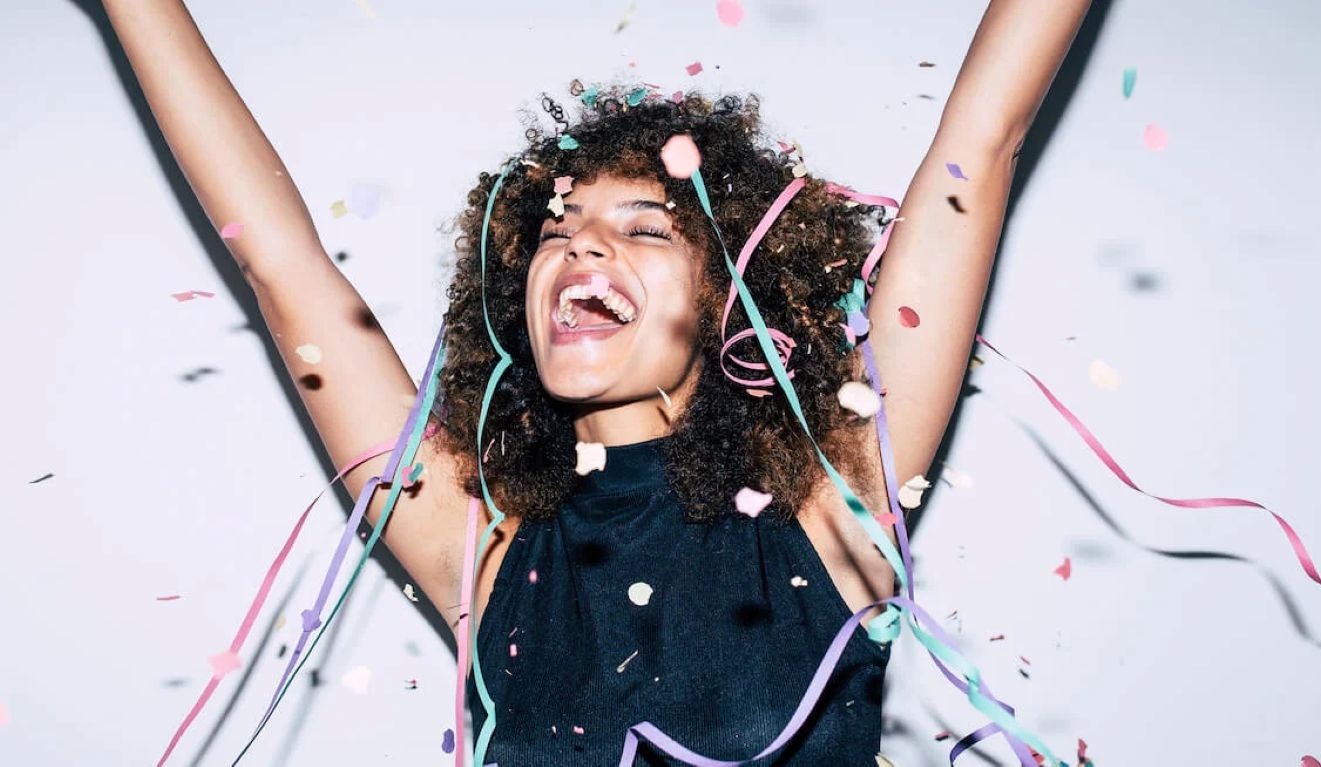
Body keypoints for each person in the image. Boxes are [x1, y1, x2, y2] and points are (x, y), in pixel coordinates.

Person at [100, 0, 1091, 763]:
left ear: (730, 304)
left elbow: (985, 134)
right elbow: (280, 264)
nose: (580, 244)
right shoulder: (479, 541)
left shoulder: (833, 503)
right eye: (555, 232)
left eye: (645, 226)